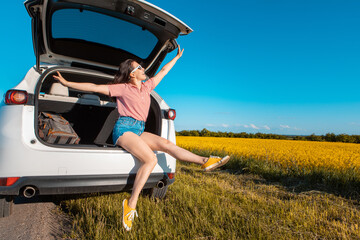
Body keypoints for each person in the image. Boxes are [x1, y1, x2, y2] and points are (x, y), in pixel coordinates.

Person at [53, 46, 230, 231]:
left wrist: (176, 57)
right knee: (151, 159)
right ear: (131, 74)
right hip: (124, 130)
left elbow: (163, 71)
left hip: (139, 129)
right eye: (139, 68)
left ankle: (205, 161)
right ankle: (131, 204)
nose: (143, 69)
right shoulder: (123, 88)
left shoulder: (147, 87)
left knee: (167, 144)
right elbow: (95, 87)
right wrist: (67, 83)